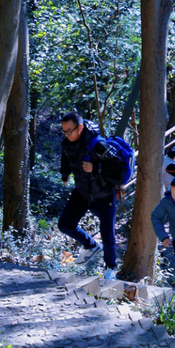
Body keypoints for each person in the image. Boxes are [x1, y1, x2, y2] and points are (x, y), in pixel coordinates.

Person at [57, 110, 124, 280]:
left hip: (103, 195)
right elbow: (66, 157)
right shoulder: (67, 142)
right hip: (81, 192)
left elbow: (117, 167)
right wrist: (65, 173)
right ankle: (91, 245)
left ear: (80, 128)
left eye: (69, 131)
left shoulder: (98, 144)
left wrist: (96, 168)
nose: (66, 135)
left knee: (107, 234)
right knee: (65, 224)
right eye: (64, 131)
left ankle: (110, 269)